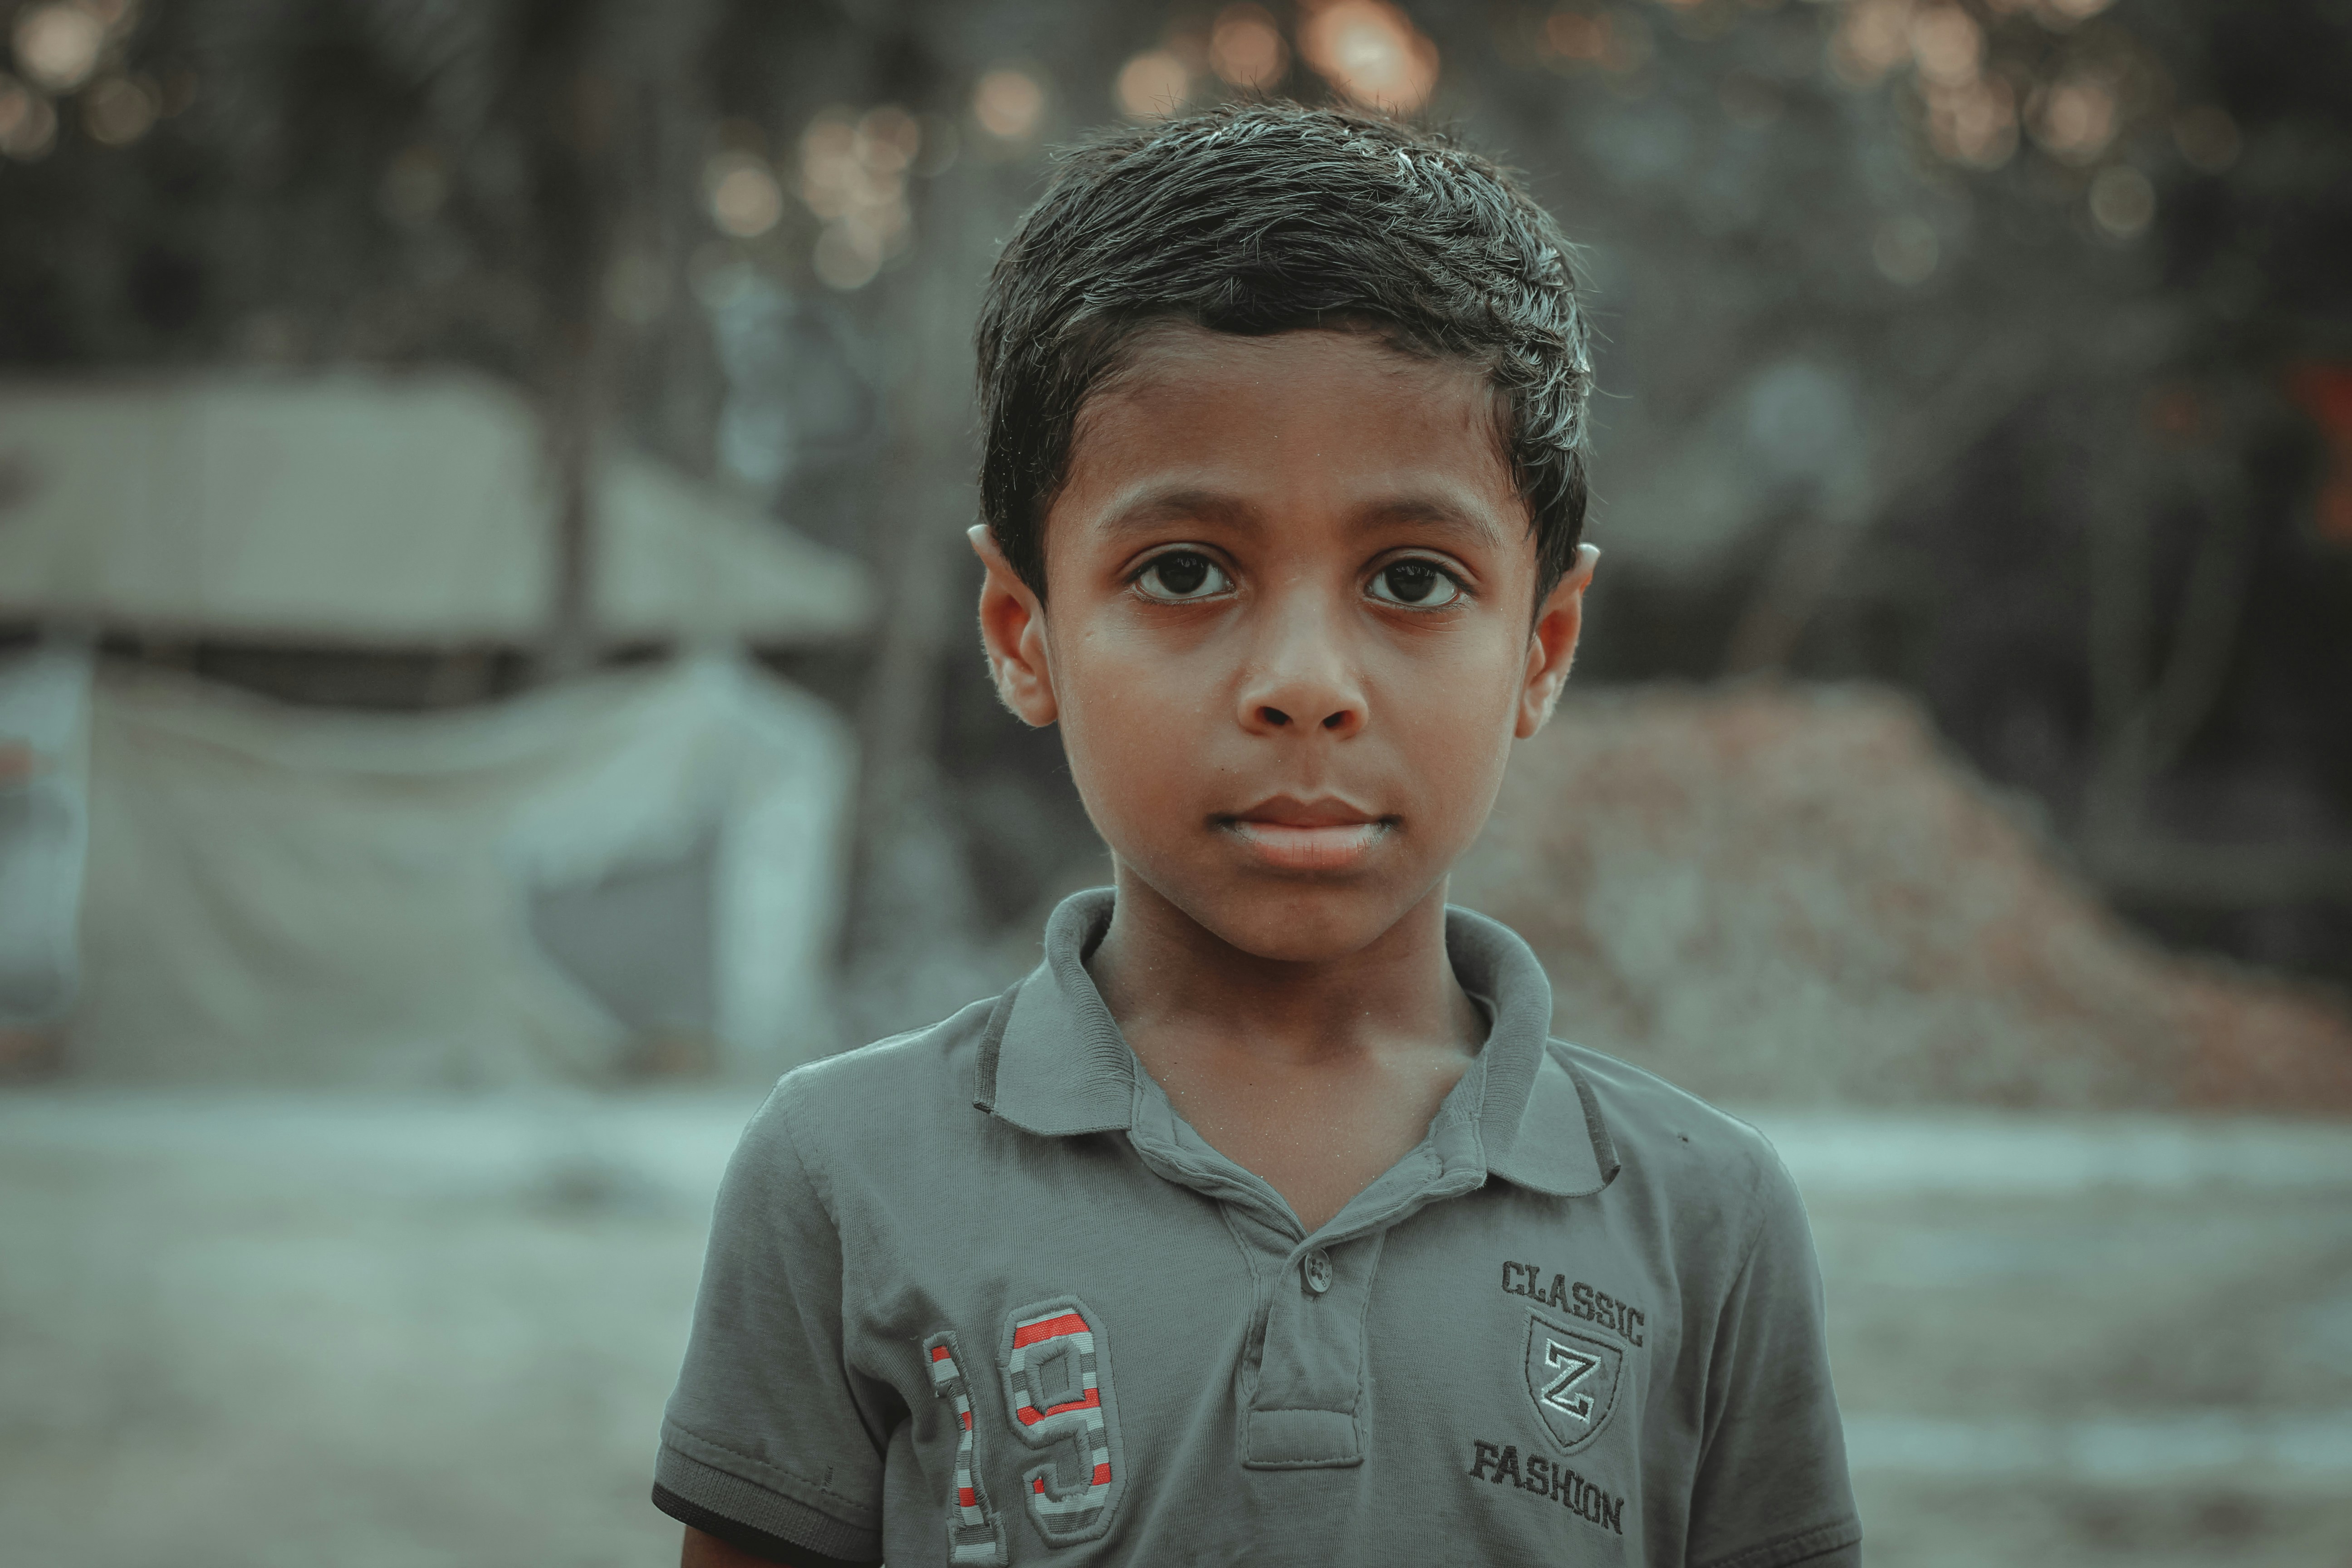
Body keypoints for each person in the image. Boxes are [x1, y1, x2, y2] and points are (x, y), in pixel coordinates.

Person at [653, 102, 1859, 1568]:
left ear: (1543, 648)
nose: (1304, 683)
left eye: (1412, 580)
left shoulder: (1699, 1215)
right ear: (1023, 631)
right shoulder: (846, 1175)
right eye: (1184, 571)